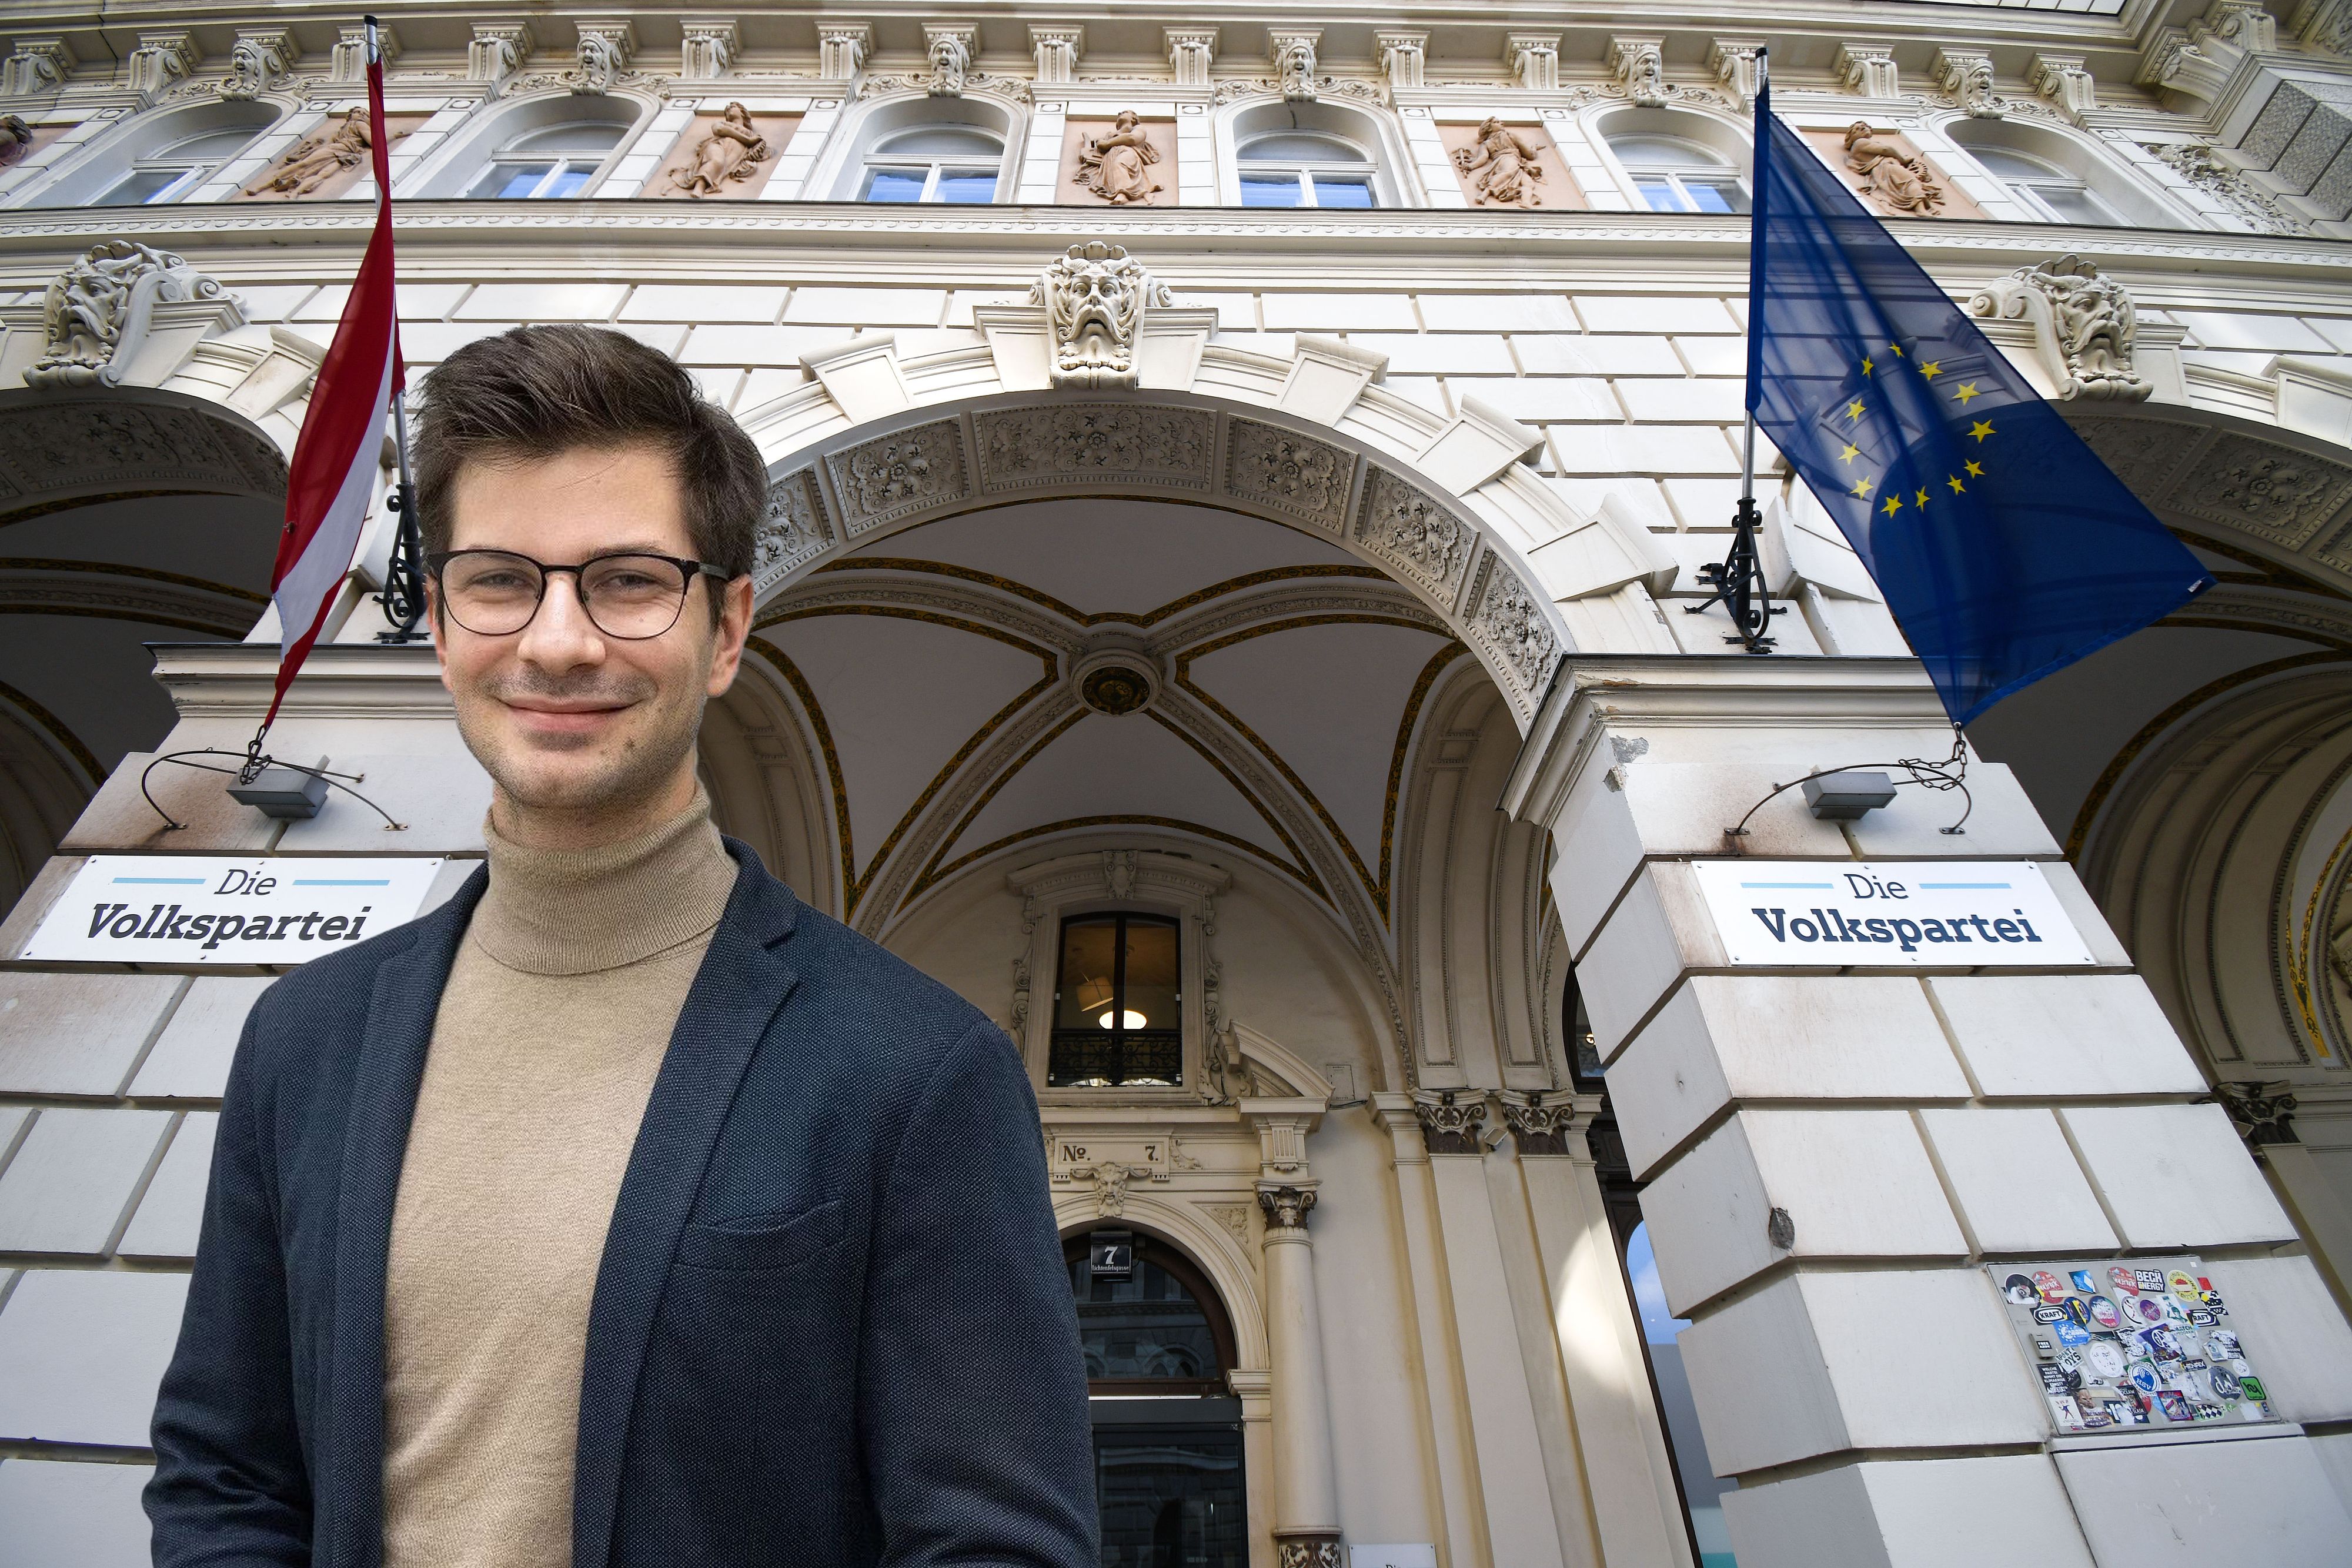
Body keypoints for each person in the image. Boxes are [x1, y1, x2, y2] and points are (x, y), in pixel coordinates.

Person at [145, 324, 1098, 1568]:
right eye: (498, 578)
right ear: (436, 621)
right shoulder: (305, 1036)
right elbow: (226, 1473)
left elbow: (995, 1544)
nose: (556, 641)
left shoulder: (916, 1067)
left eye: (629, 579)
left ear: (727, 627)